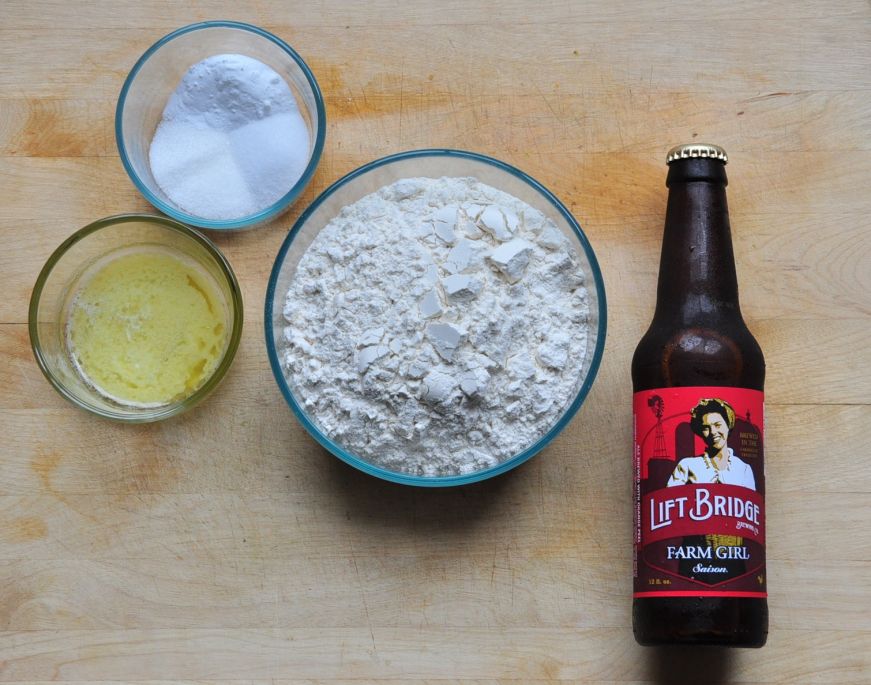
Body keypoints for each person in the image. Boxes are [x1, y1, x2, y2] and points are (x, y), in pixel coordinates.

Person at [667, 398, 756, 491]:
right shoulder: (687, 466)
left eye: (718, 425)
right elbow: (668, 499)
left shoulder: (744, 469)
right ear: (700, 432)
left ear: (728, 426)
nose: (713, 432)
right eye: (706, 428)